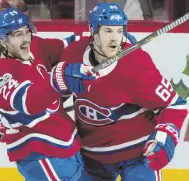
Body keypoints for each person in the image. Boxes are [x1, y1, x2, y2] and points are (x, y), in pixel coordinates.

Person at [56, 2, 188, 181]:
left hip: (137, 155)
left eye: (119, 31)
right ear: (93, 32)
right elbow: (55, 97)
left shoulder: (136, 65)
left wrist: (165, 135)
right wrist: (58, 81)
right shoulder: (73, 55)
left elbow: (175, 106)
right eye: (108, 31)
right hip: (92, 156)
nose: (115, 38)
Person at [0, 7, 95, 181]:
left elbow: (70, 46)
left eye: (27, 31)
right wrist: (59, 78)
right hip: (40, 153)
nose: (26, 39)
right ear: (3, 40)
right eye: (17, 34)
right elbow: (30, 102)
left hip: (65, 142)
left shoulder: (35, 45)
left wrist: (100, 41)